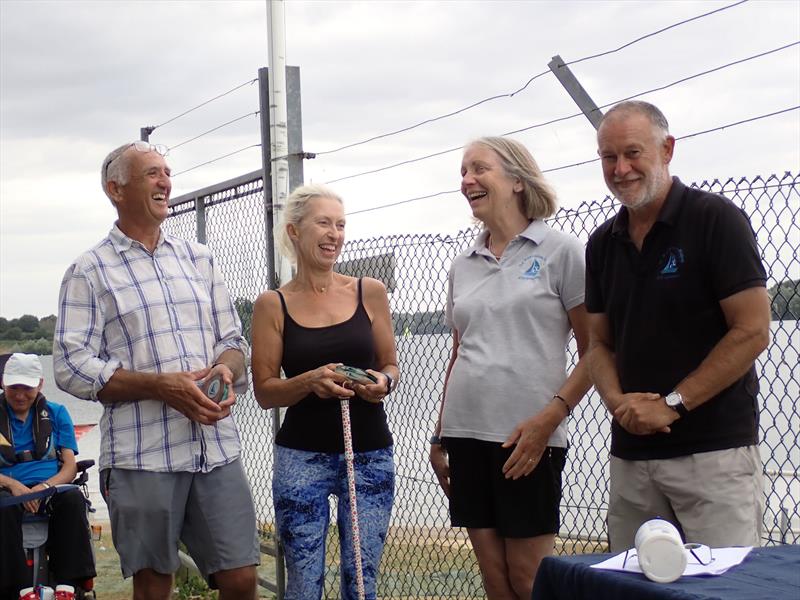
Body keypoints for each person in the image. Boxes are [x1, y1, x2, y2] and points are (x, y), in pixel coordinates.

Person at [53, 141, 258, 600]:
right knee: (153, 584)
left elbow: (233, 342)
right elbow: (70, 365)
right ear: (115, 189)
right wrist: (159, 386)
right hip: (142, 455)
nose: (166, 182)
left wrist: (226, 370)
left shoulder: (198, 258)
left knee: (242, 577)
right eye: (151, 173)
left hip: (214, 449)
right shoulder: (89, 271)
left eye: (167, 172)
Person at [586, 101, 771, 551]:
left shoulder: (715, 220)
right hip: (631, 457)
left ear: (667, 149)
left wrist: (672, 404)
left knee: (724, 586)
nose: (621, 168)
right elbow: (596, 344)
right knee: (630, 586)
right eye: (609, 157)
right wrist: (619, 405)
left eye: (633, 153)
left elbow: (752, 330)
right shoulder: (601, 244)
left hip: (713, 454)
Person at [429, 137, 592, 599]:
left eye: (479, 169)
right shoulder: (463, 264)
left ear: (518, 180)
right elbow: (460, 351)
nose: (466, 180)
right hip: (465, 436)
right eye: (462, 171)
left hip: (526, 438)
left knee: (529, 579)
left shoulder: (562, 251)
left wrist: (550, 419)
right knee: (496, 582)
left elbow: (596, 350)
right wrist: (440, 435)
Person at [251, 184, 399, 600]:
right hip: (301, 458)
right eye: (324, 223)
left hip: (368, 453)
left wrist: (381, 383)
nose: (335, 234)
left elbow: (390, 365)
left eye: (341, 225)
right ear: (295, 231)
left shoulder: (369, 291)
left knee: (362, 580)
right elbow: (264, 392)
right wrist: (309, 382)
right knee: (302, 585)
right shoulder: (272, 305)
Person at [0, 353, 96, 598]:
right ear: (3, 383)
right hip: (7, 489)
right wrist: (14, 486)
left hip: (50, 486)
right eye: (14, 387)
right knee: (4, 507)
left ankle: (68, 584)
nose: (20, 395)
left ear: (40, 384)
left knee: (73, 499)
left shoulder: (57, 413)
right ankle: (19, 588)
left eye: (27, 388)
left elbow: (69, 468)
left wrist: (43, 487)